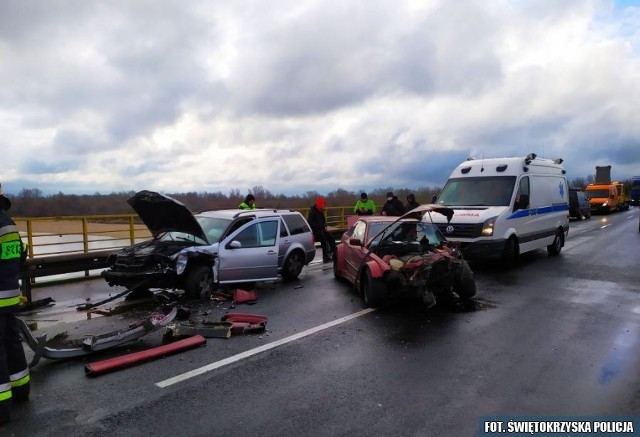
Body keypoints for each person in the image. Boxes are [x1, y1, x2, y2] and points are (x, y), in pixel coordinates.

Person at [0, 184, 30, 424]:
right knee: (11, 341)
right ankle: (21, 391)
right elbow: (20, 255)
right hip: (9, 294)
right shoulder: (8, 222)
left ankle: (1, 409)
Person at [307, 197, 336, 263]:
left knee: (331, 237)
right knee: (324, 239)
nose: (324, 206)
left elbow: (323, 220)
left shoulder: (321, 211)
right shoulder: (313, 212)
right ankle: (325, 256)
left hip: (322, 229)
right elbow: (310, 222)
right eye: (323, 205)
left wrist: (325, 227)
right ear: (319, 205)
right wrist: (319, 227)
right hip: (315, 230)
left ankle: (334, 254)